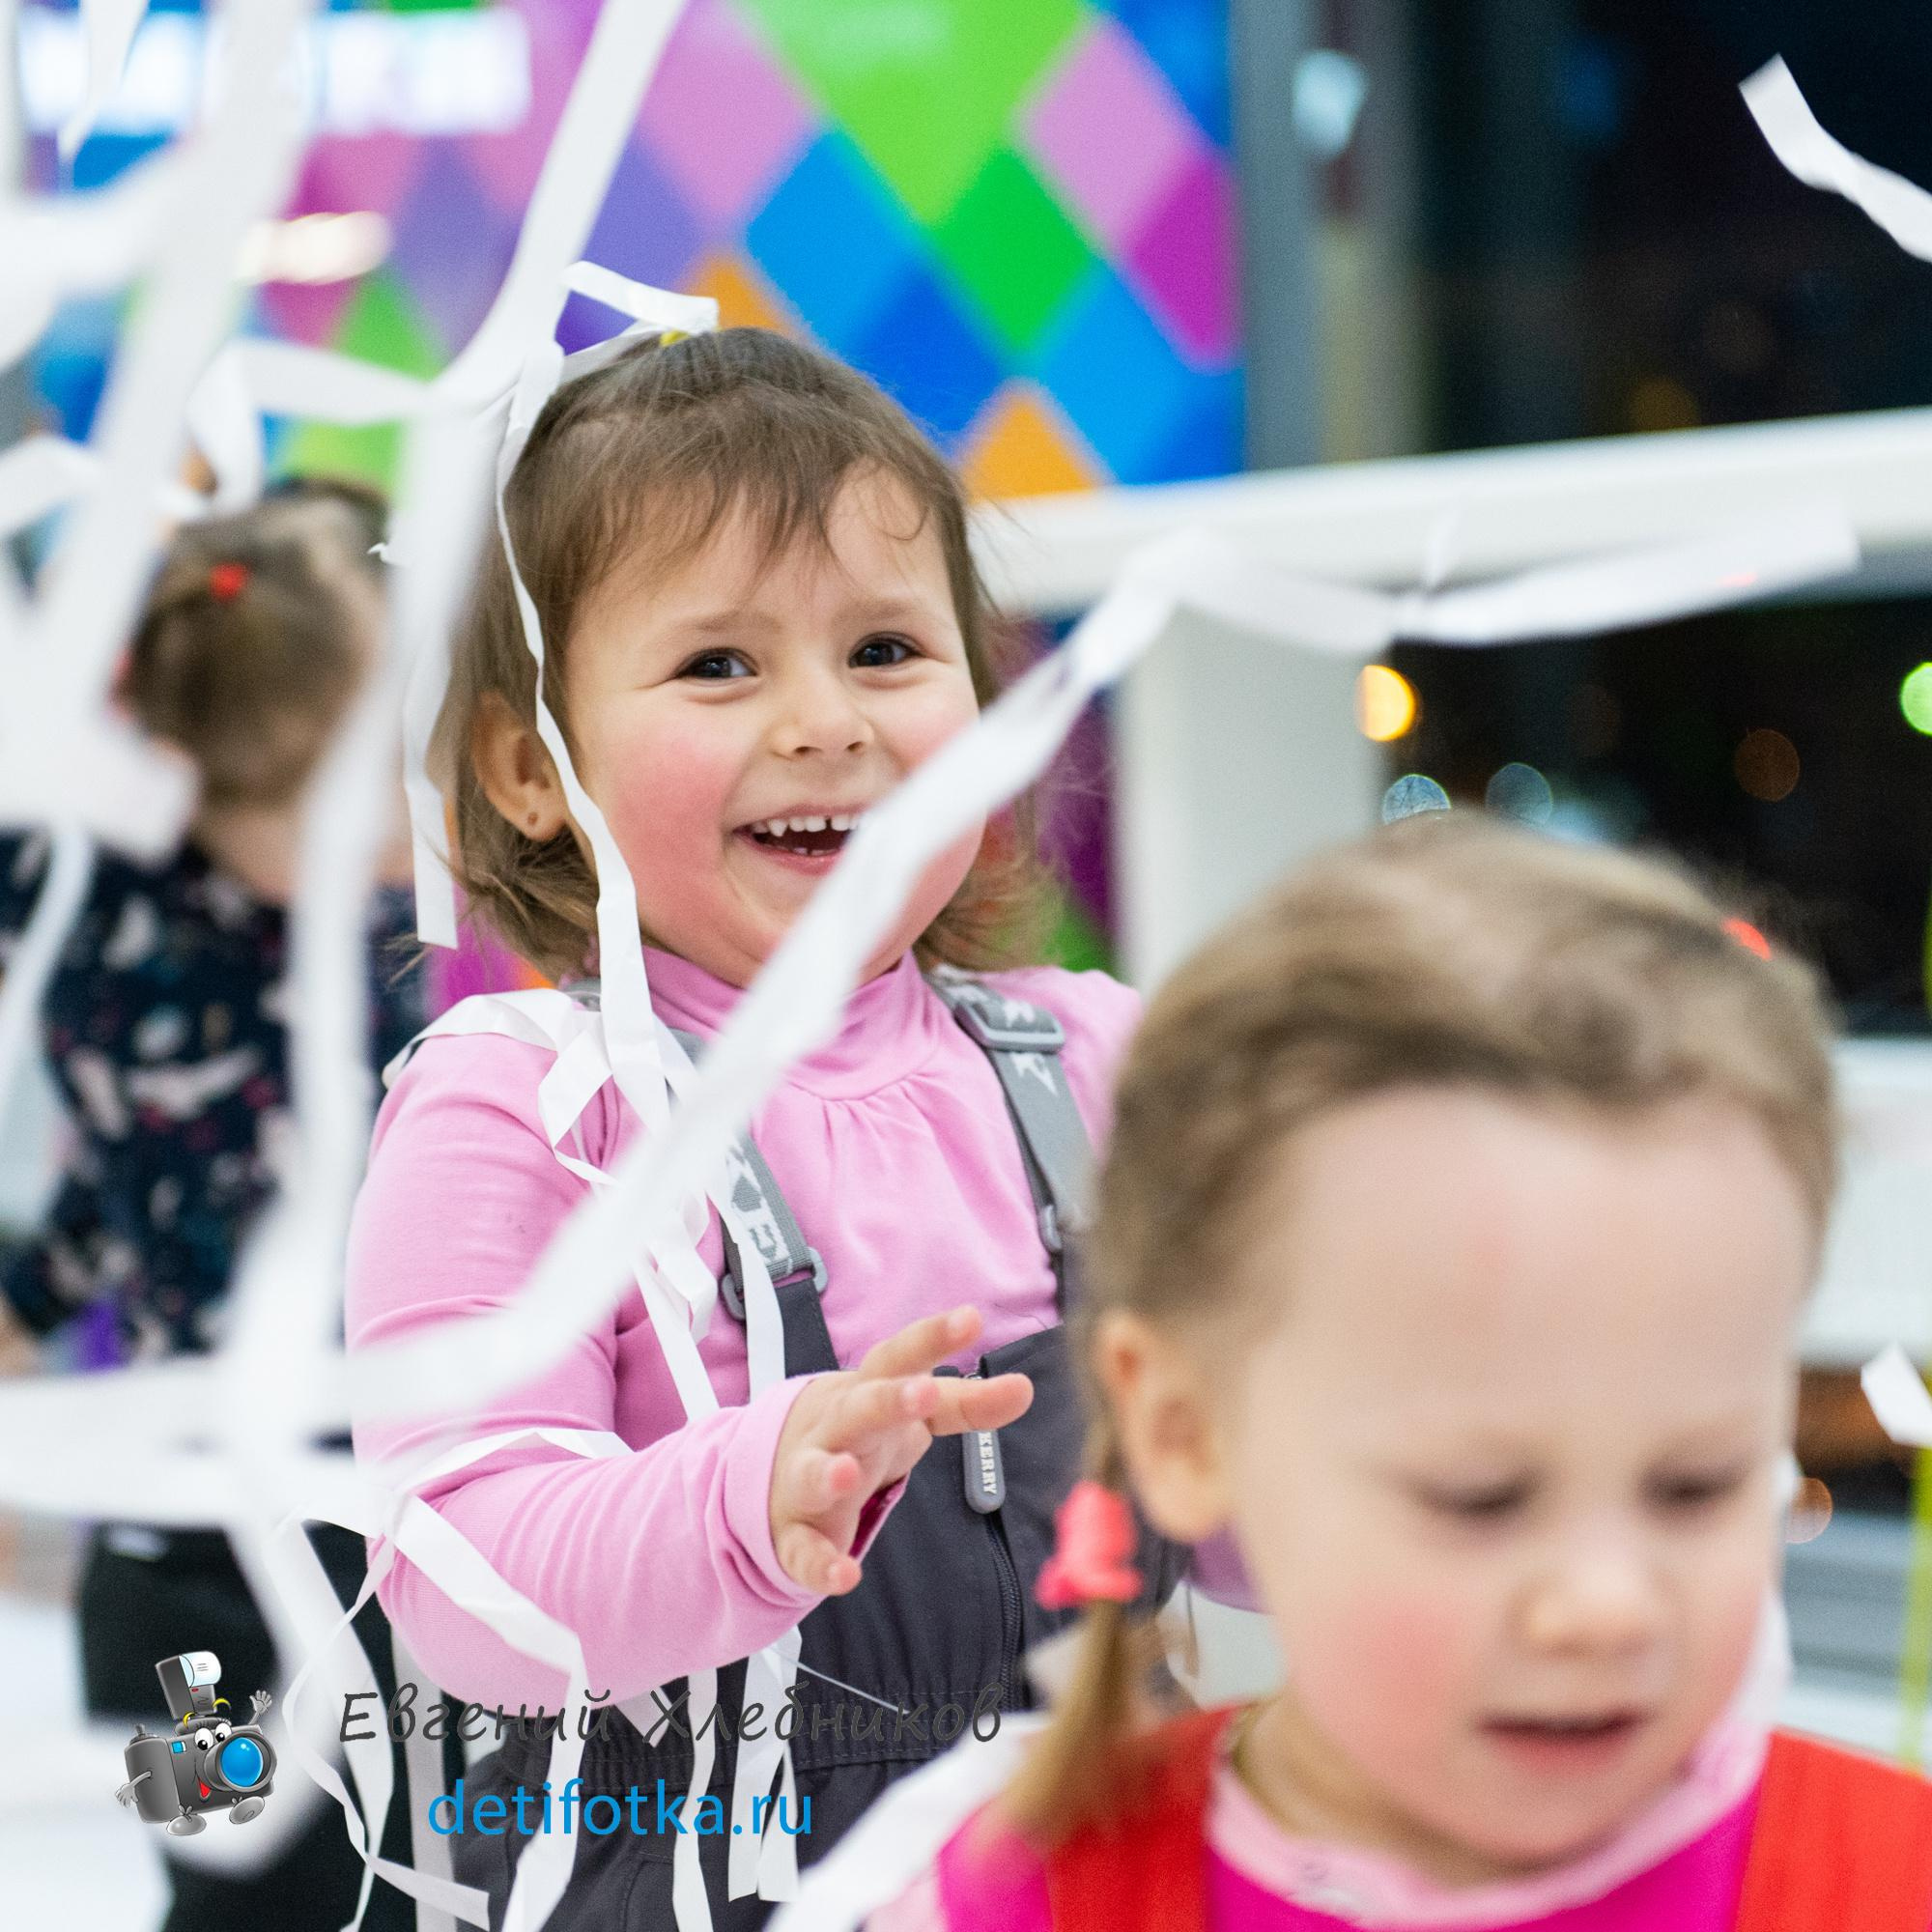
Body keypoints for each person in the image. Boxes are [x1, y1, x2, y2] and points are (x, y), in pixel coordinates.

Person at [345, 327, 1213, 1930]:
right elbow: (453, 1570)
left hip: (1090, 1855)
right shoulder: (527, 1106)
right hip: (694, 1879)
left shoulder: (1105, 1062)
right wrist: (740, 1501)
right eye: (721, 665)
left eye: (887, 650)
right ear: (534, 770)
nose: (827, 720)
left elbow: (1263, 1474)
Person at [830, 815, 1932, 1932]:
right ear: (1181, 1429)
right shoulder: (1009, 1900)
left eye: (1695, 1484)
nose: (1603, 1605)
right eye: (1479, 1497)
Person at [0, 488, 427, 1932]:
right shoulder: (91, 907)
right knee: (229, 1881)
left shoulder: (385, 931)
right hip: (176, 1555)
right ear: (216, 781)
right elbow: (141, 1176)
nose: (411, 814)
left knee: (422, 1874)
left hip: (394, 1521)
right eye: (370, 784)